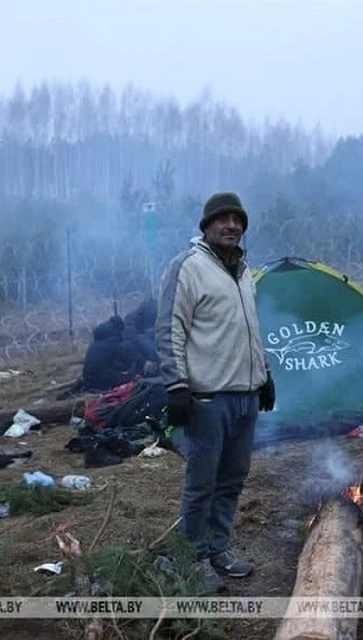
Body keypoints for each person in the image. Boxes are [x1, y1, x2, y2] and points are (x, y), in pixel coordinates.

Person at [155, 191, 276, 594]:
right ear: (206, 226)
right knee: (201, 484)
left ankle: (218, 548)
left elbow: (249, 329)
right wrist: (176, 386)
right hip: (207, 399)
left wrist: (265, 374)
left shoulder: (243, 271)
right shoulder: (187, 267)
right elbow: (169, 328)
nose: (231, 225)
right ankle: (192, 560)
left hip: (245, 396)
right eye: (222, 219)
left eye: (237, 219)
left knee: (232, 479)